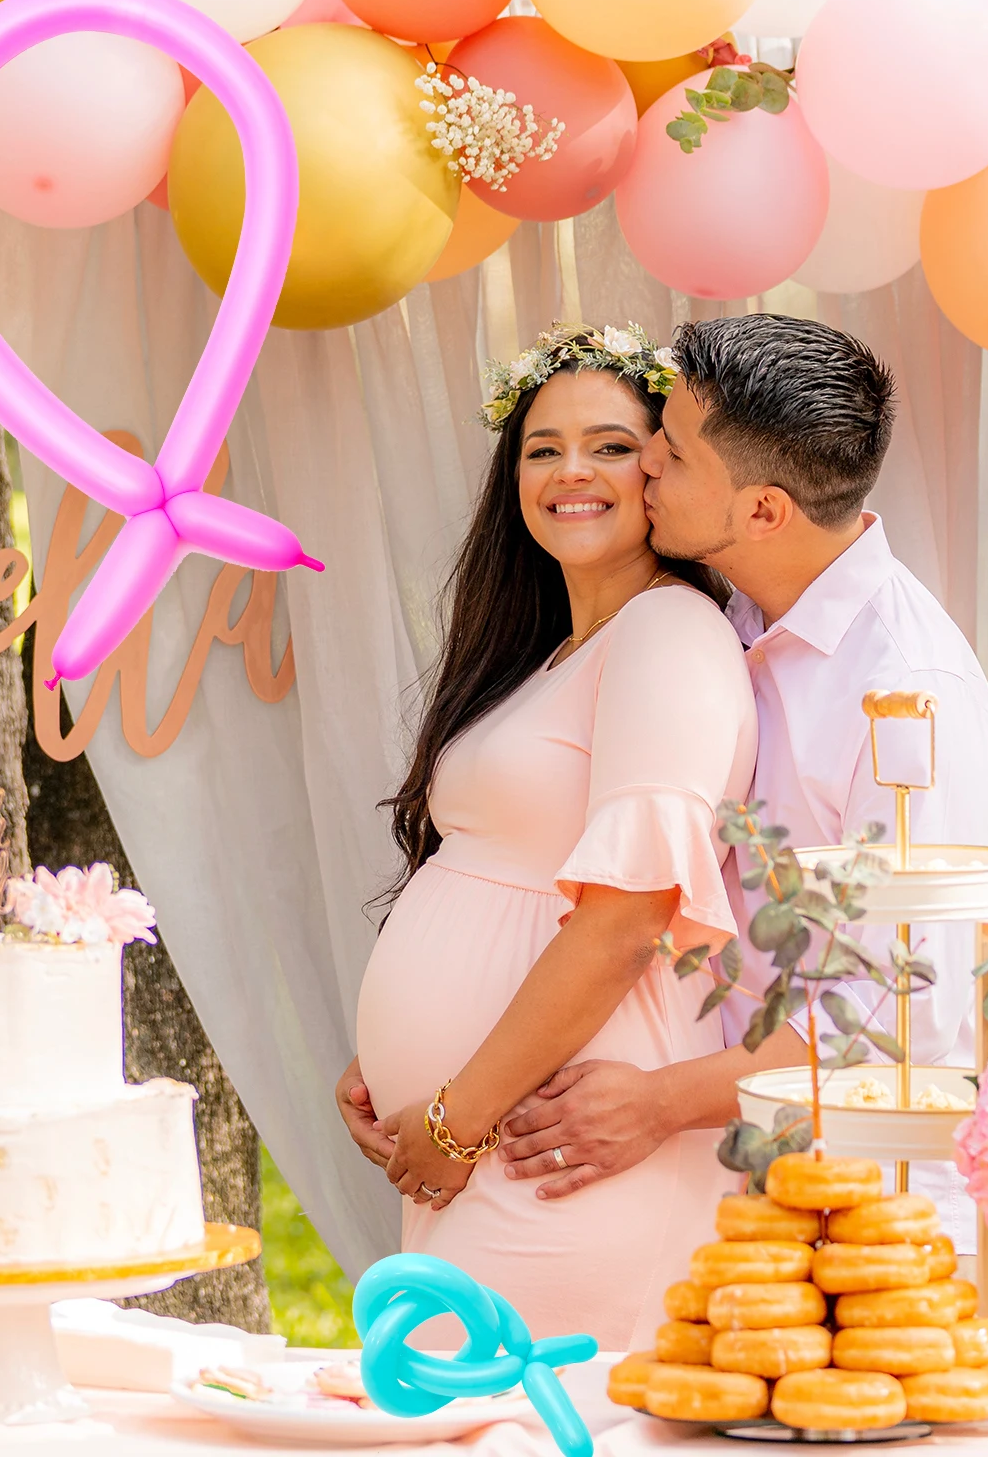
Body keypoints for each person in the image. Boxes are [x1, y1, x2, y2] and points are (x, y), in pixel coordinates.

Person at [496, 314, 988, 1250]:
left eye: (674, 453)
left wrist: (658, 1102)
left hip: (868, 1209)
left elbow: (892, 1023)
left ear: (765, 510)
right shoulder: (721, 607)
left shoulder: (906, 701)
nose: (645, 462)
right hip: (718, 1187)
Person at [338, 323, 757, 1349]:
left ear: (661, 471)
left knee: (498, 1418)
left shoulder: (668, 634)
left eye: (612, 445)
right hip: (480, 1135)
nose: (573, 470)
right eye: (541, 447)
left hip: (547, 1146)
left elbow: (624, 923)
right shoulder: (555, 653)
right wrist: (394, 1073)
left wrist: (450, 1115)